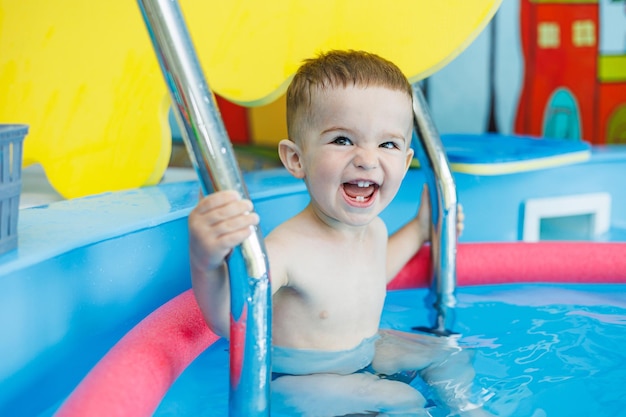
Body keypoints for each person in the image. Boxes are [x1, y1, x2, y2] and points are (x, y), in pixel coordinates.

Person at [189, 50, 493, 416]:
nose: (367, 158)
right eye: (343, 140)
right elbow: (229, 319)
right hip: (296, 380)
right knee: (402, 400)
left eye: (388, 144)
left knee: (449, 353)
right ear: (296, 159)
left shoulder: (376, 229)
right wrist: (205, 262)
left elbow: (375, 275)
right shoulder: (287, 249)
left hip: (360, 354)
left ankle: (469, 409)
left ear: (406, 158)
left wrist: (418, 229)